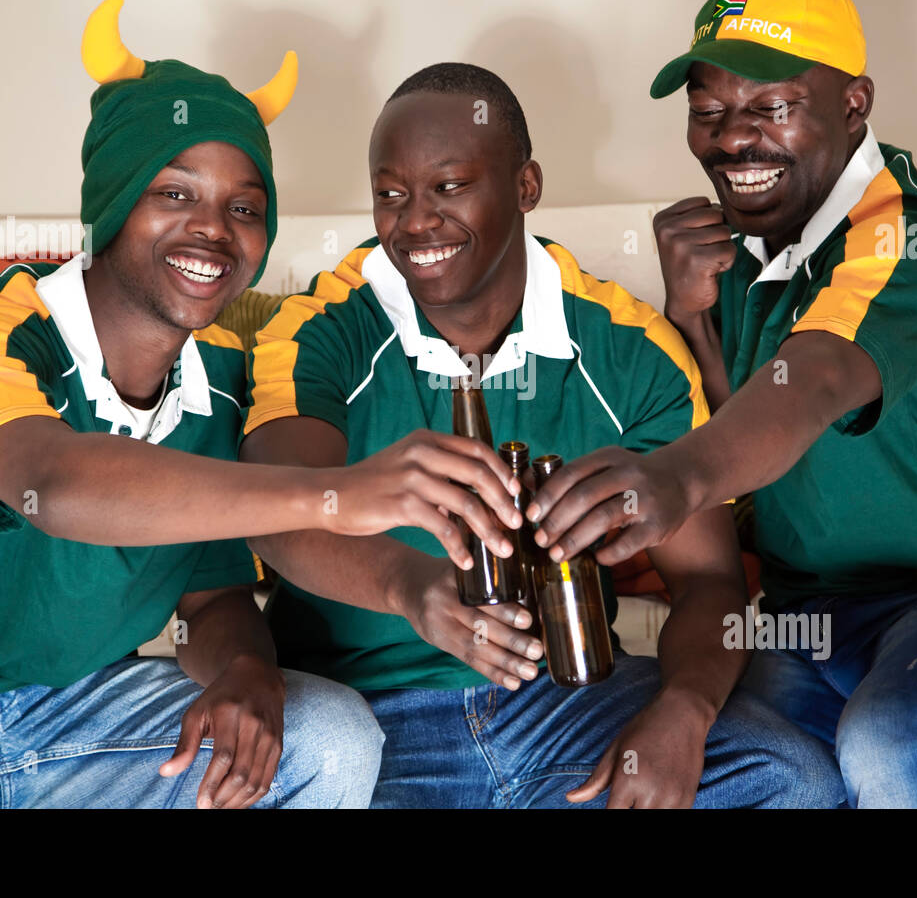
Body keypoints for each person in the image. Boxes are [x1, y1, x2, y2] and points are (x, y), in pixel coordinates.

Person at [0, 0, 522, 809]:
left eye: (244, 208)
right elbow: (50, 485)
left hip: (84, 720)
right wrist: (344, 493)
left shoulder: (225, 370)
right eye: (174, 194)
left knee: (330, 738)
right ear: (114, 201)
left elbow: (210, 591)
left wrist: (246, 673)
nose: (214, 233)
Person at [527, 0, 917, 807]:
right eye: (709, 112)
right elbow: (757, 442)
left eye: (771, 107)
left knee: (898, 740)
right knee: (724, 758)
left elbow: (814, 381)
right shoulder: (753, 245)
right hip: (805, 618)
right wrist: (694, 319)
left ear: (854, 102)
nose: (733, 139)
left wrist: (671, 478)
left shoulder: (916, 242)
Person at [240, 61, 846, 808]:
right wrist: (413, 588)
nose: (416, 221)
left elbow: (710, 583)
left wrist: (681, 716)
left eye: (449, 186)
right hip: (369, 715)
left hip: (567, 710)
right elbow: (280, 510)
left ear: (525, 187)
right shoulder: (318, 333)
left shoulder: (632, 349)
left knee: (793, 781)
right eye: (391, 195)